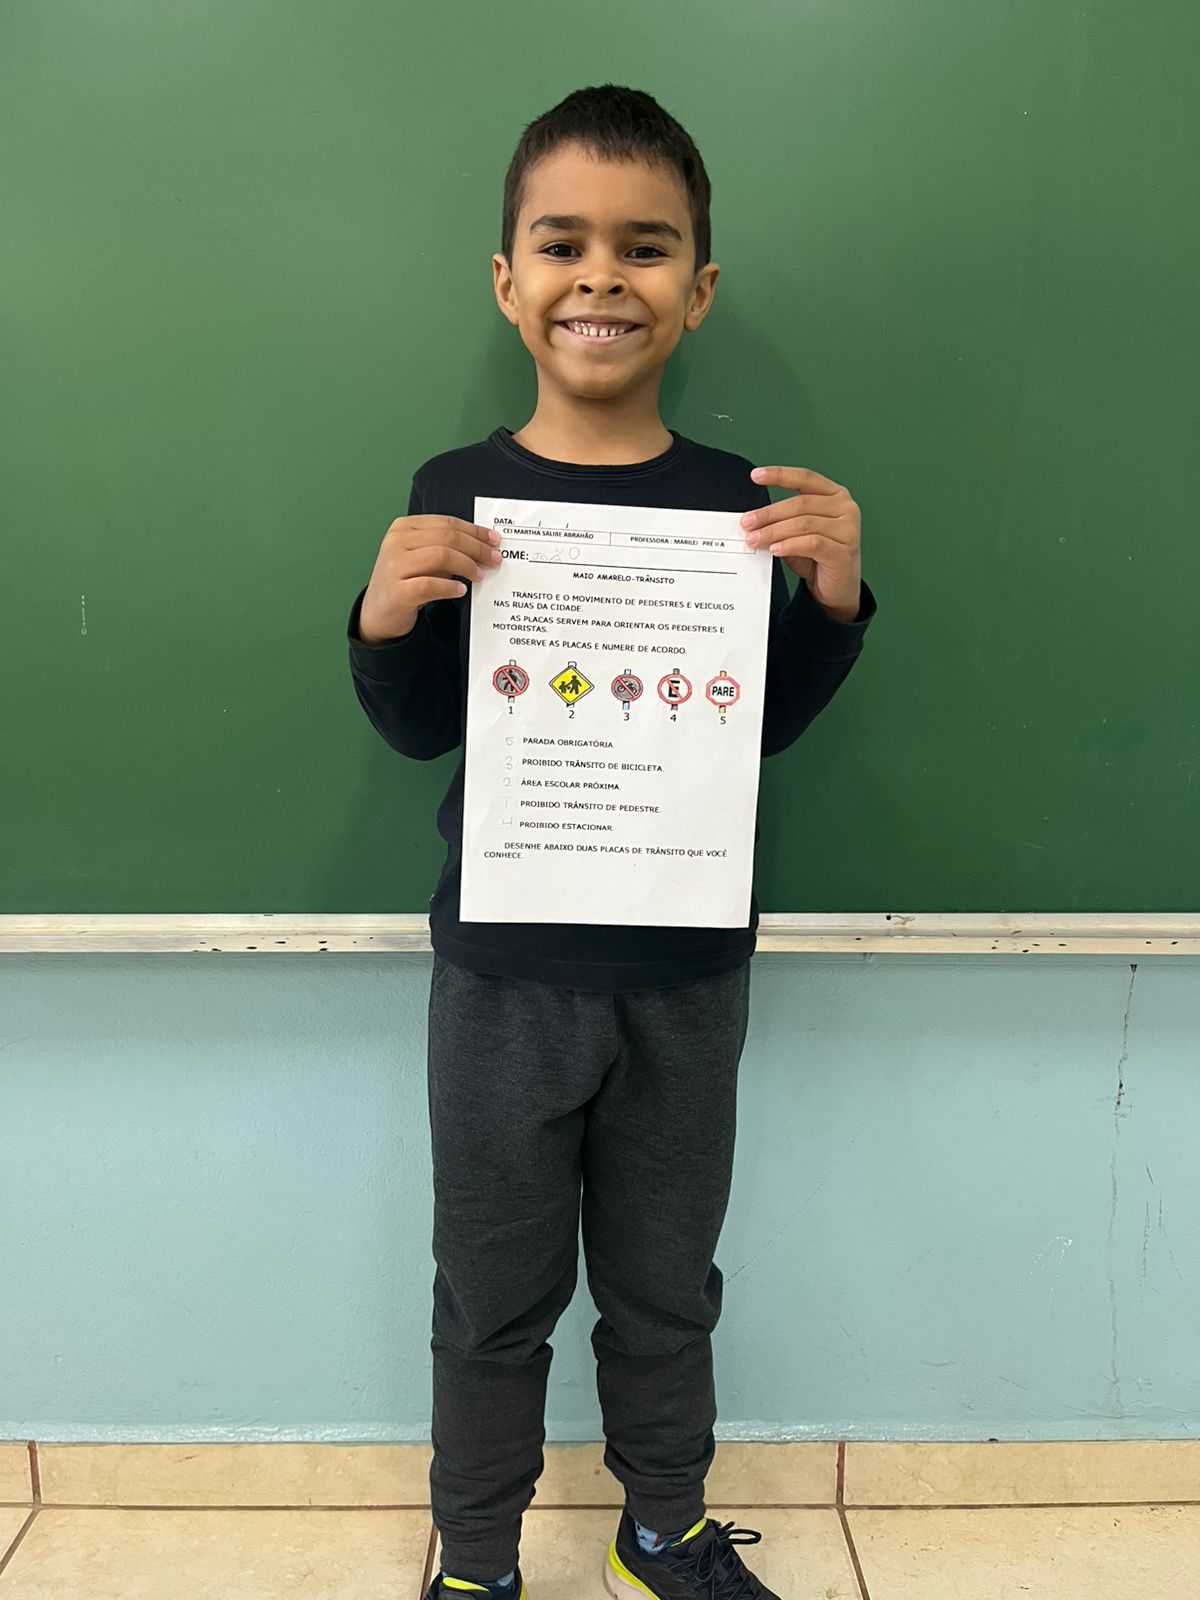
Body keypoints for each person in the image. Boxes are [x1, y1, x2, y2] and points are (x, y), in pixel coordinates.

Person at [346, 84, 878, 1600]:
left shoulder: (738, 509)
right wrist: (383, 617)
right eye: (562, 244)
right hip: (504, 978)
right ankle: (473, 1561)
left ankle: (662, 1529)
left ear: (696, 291)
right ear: (506, 279)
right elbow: (418, 728)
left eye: (645, 249)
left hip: (683, 973)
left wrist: (833, 600)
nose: (601, 277)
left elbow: (751, 734)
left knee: (664, 1287)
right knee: (490, 1295)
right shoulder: (454, 495)